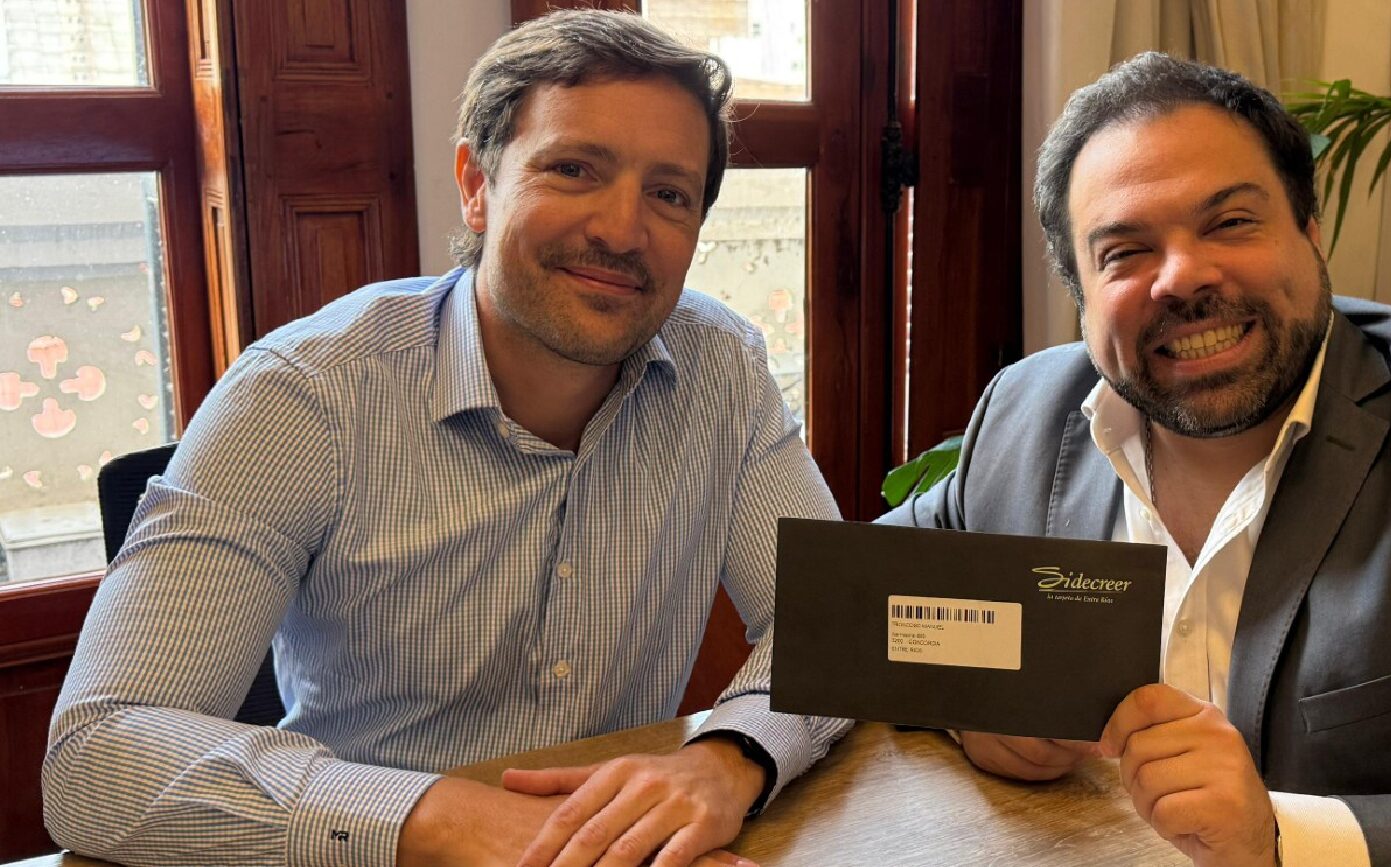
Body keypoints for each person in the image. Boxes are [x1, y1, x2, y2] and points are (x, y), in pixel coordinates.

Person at [44, 11, 846, 867]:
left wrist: (730, 756)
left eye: (669, 193)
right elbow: (96, 753)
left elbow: (840, 619)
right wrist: (446, 819)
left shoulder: (723, 367)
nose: (622, 230)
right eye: (573, 169)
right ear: (476, 184)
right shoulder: (306, 392)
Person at [879, 52, 1391, 866]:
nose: (1183, 276)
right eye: (1125, 252)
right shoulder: (1028, 412)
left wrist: (1281, 838)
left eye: (1230, 222)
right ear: (1081, 295)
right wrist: (970, 698)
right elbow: (859, 608)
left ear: (1311, 233)